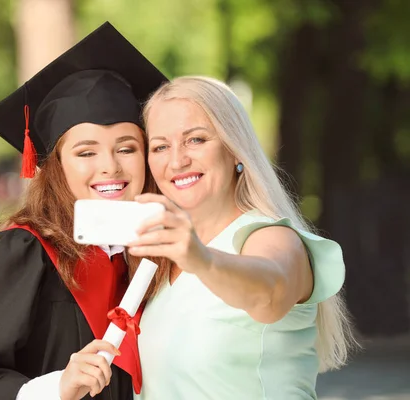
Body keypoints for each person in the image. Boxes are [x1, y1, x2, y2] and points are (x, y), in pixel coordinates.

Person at [0, 23, 167, 400]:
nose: (110, 167)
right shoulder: (17, 255)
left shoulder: (157, 255)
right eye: (86, 152)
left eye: (127, 148)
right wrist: (56, 388)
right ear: (55, 166)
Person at [127, 76, 356, 399]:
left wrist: (202, 260)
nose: (177, 160)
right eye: (161, 146)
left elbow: (269, 292)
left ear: (235, 149)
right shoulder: (162, 265)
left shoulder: (272, 237)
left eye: (196, 140)